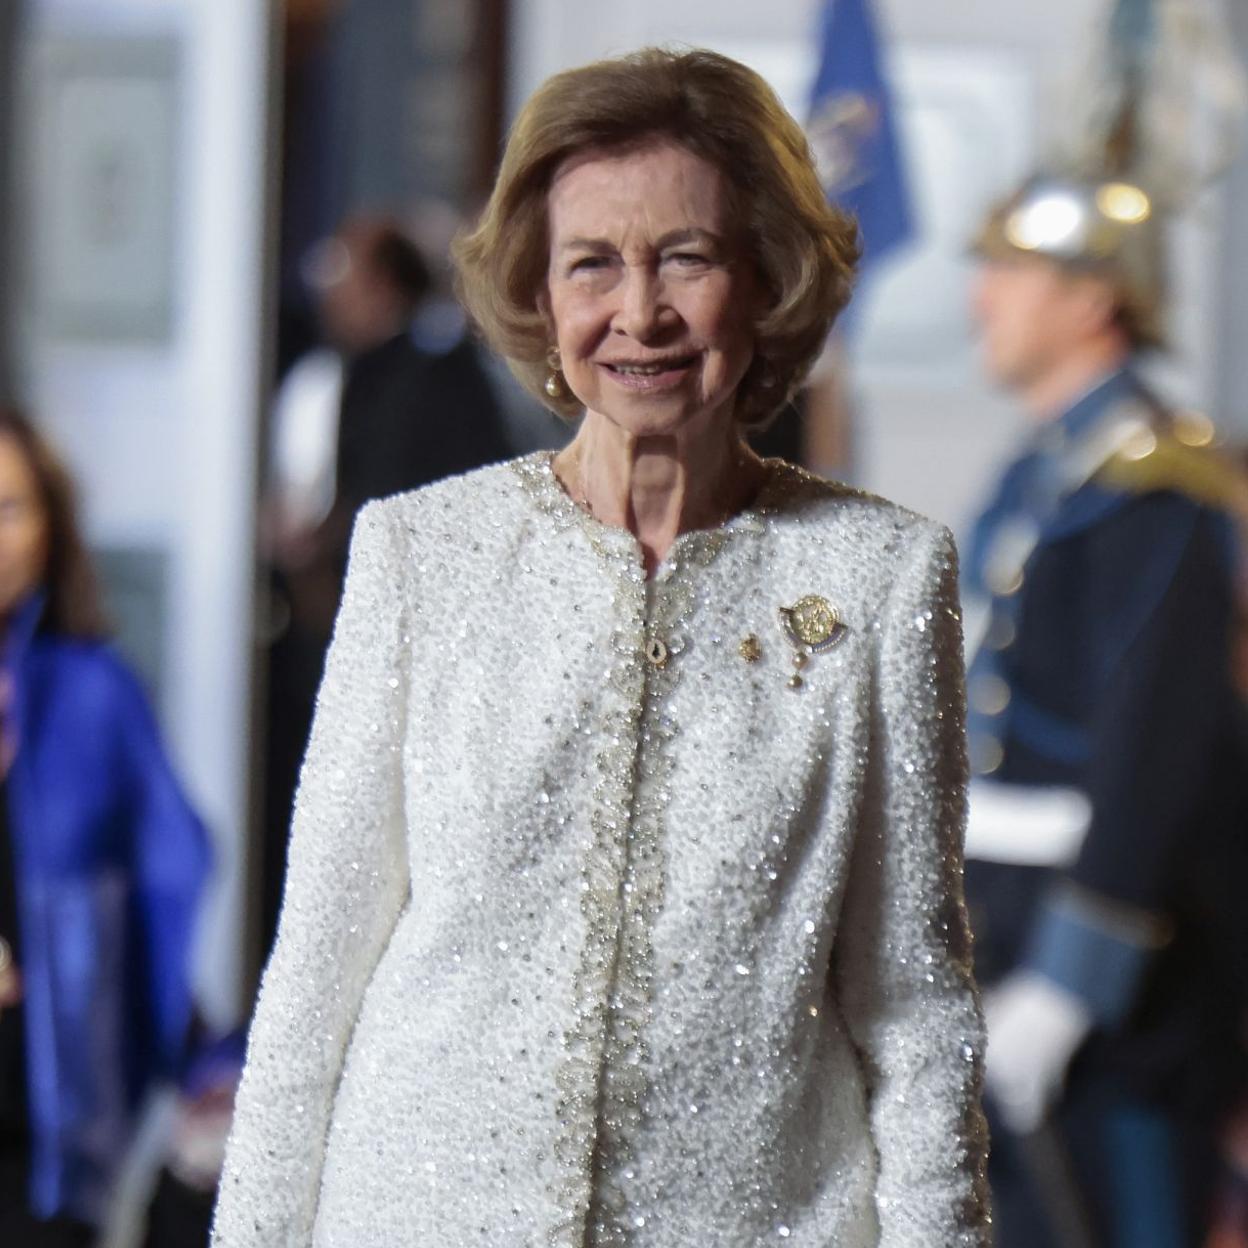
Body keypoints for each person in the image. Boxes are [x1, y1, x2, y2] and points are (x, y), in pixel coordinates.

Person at [213, 47, 989, 1246]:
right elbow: (311, 979)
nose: (640, 313)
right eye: (593, 264)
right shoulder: (421, 554)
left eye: (687, 256)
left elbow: (914, 1008)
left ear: (766, 275)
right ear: (539, 290)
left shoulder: (881, 576)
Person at [963, 161, 1248, 1244]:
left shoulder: (1150, 486)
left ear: (1091, 298)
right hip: (1010, 921)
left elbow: (1154, 750)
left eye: (1009, 271)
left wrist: (1073, 985)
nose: (981, 296)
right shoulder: (1052, 469)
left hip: (1122, 978)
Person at [0, 407, 211, 1245]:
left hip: (46, 1137)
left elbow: (163, 889)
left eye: (12, 507)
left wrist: (200, 1053)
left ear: (51, 528)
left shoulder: (95, 695)